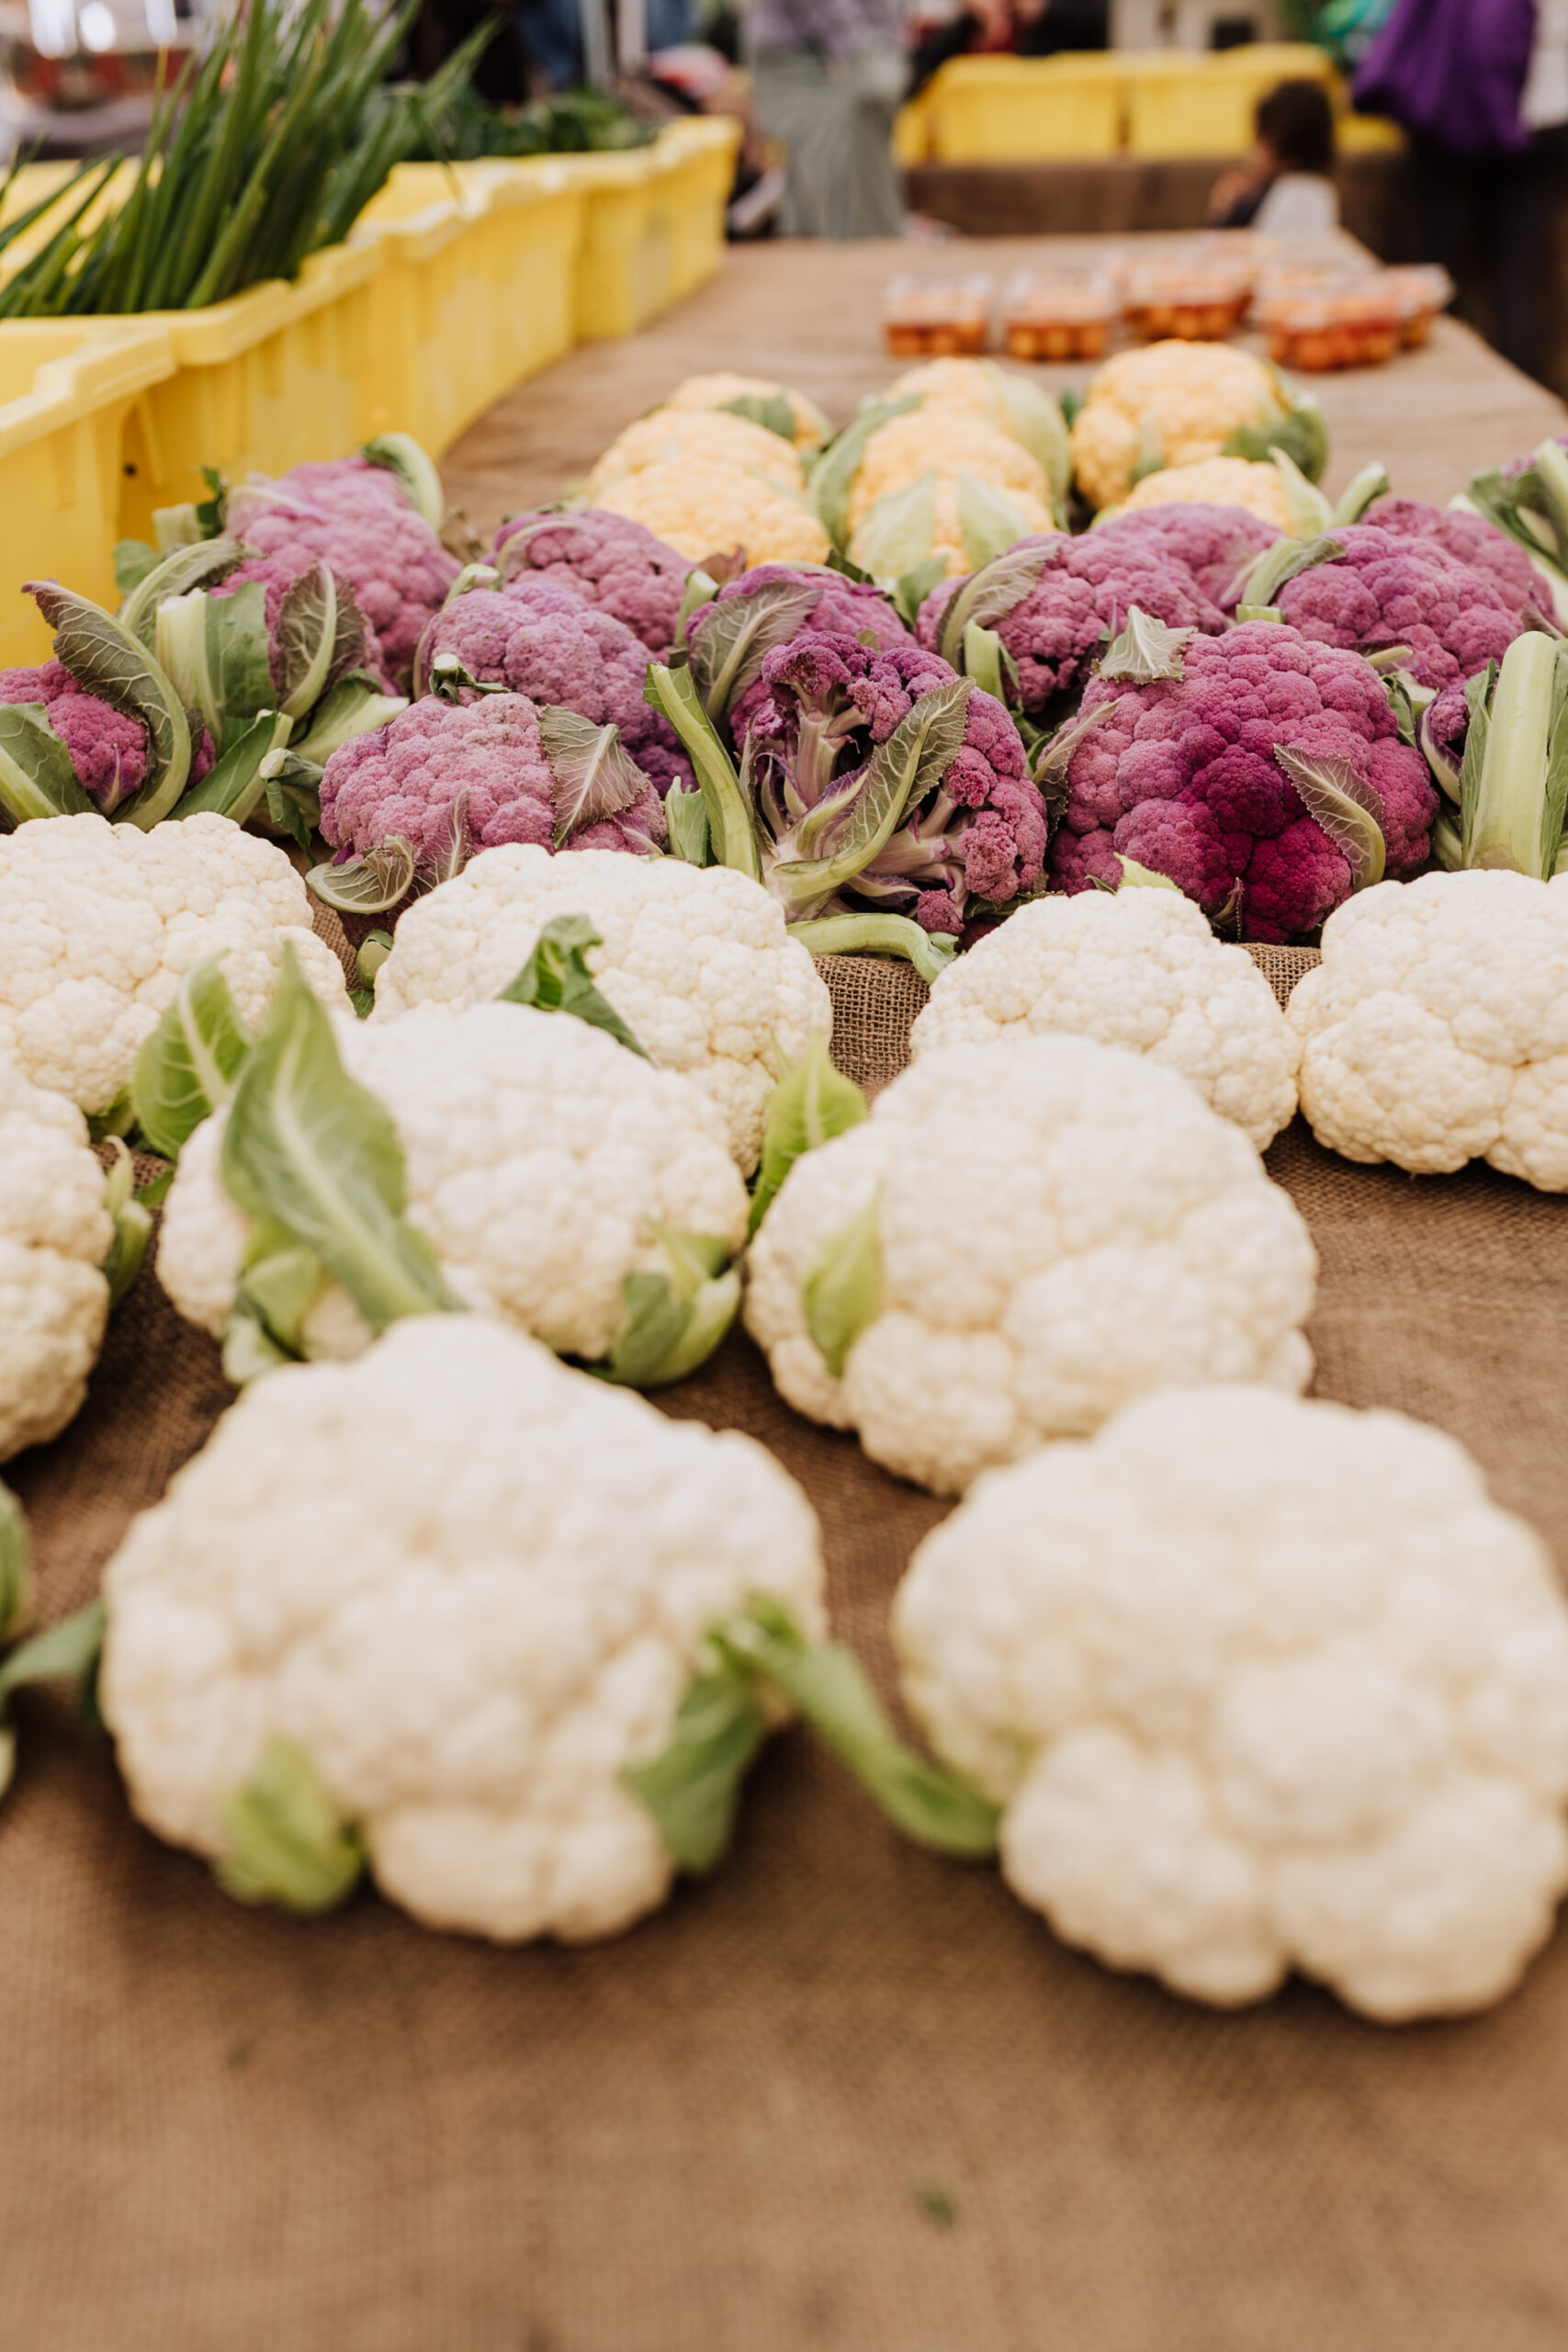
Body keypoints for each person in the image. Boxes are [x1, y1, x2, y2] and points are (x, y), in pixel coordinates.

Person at [1356, 0, 1568, 383]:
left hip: (1454, 112)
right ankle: (1522, 417)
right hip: (1545, 116)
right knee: (1516, 284)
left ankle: (1433, 393)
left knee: (1435, 280)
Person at [748, 0, 906, 237]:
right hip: (791, 55)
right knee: (824, 145)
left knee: (842, 140)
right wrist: (858, 50)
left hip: (836, 51)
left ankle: (854, 236)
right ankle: (831, 238)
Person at [1208, 78, 1340, 235]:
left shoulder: (1261, 197)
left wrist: (1222, 209)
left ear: (1274, 140)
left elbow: (1220, 242)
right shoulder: (1323, 191)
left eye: (1259, 138)